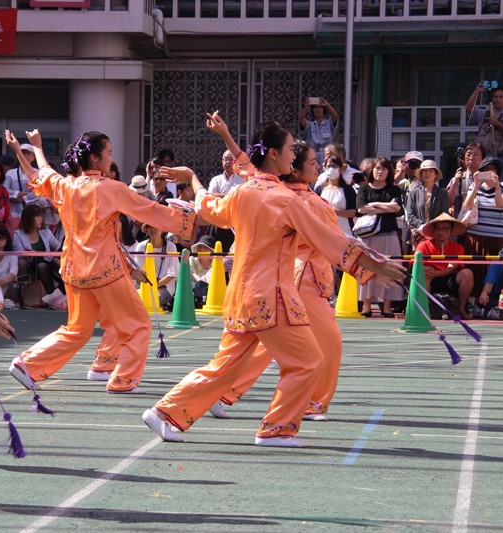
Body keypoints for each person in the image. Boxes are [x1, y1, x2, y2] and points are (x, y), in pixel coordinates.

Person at [142, 117, 405, 447]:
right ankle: (276, 428)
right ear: (273, 154)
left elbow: (209, 209)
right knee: (308, 361)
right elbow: (331, 241)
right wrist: (374, 265)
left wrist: (194, 178)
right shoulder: (287, 200)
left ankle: (164, 411)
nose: (293, 156)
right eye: (290, 150)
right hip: (272, 296)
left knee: (225, 367)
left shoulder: (244, 192)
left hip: (241, 296)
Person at [5, 129, 195, 394]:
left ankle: (27, 365)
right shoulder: (111, 188)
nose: (111, 158)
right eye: (109, 153)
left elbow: (43, 173)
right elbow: (149, 210)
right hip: (105, 269)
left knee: (78, 329)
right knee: (137, 324)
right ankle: (123, 380)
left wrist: (36, 147)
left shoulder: (67, 185)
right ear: (94, 158)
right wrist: (188, 219)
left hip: (74, 269)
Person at [210, 139, 352, 422]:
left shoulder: (275, 192)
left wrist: (225, 134)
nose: (319, 167)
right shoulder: (303, 201)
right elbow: (336, 243)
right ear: (294, 169)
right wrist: (371, 263)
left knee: (267, 345)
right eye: (313, 163)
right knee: (328, 343)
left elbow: (247, 166)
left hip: (290, 276)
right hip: (304, 278)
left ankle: (223, 392)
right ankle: (311, 403)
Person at [357, 157, 404, 317]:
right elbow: (361, 209)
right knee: (367, 268)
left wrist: (374, 205)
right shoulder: (364, 188)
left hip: (389, 234)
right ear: (372, 170)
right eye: (377, 168)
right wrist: (386, 207)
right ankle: (366, 305)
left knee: (390, 268)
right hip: (368, 236)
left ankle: (387, 306)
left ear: (388, 172)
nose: (380, 172)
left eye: (384, 169)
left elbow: (396, 207)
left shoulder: (394, 189)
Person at [414, 213, 474, 319]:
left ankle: (461, 308)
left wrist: (436, 273)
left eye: (445, 229)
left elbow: (453, 266)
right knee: (424, 276)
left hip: (449, 280)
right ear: (434, 231)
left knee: (467, 274)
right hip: (429, 279)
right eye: (438, 228)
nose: (441, 232)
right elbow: (415, 264)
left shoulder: (458, 248)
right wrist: (424, 269)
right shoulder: (423, 245)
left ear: (451, 231)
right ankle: (425, 310)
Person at [13, 203, 62, 297]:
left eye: (41, 216)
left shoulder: (46, 232)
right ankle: (24, 295)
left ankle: (50, 294)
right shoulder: (18, 234)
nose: (41, 219)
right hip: (29, 263)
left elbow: (58, 247)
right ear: (29, 219)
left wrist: (56, 258)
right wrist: (29, 253)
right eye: (37, 217)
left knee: (42, 266)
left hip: (46, 263)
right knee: (21, 263)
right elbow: (18, 253)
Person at [461, 156, 503, 258]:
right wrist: (476, 185)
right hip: (476, 234)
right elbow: (467, 205)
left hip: (498, 236)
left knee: (497, 267)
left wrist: (497, 186)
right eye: (486, 169)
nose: (489, 172)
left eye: (492, 169)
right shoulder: (474, 187)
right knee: (476, 266)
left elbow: (499, 204)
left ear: (497, 172)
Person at [404, 159, 450, 252]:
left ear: (436, 174)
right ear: (420, 174)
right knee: (418, 259)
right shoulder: (413, 193)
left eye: (431, 170)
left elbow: (444, 214)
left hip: (437, 234)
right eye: (424, 171)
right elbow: (410, 215)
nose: (427, 173)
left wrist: (430, 228)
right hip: (417, 234)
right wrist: (422, 226)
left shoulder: (443, 193)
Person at [132, 223, 178, 311]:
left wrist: (156, 286)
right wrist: (148, 287)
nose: (153, 230)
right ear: (146, 230)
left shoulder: (171, 246)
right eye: (149, 227)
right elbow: (137, 272)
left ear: (162, 229)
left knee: (151, 301)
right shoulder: (141, 246)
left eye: (156, 227)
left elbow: (173, 273)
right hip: (143, 286)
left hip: (165, 286)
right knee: (133, 301)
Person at [315, 155, 356, 236]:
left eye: (334, 166)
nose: (331, 169)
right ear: (324, 168)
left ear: (340, 169)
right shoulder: (319, 189)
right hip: (324, 232)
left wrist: (336, 212)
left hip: (345, 232)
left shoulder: (348, 190)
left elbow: (355, 212)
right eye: (329, 166)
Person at [465, 82, 503, 163]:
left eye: (501, 97)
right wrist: (477, 91)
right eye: (495, 97)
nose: (498, 99)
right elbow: (469, 107)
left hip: (500, 156)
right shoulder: (485, 113)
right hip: (482, 155)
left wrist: (498, 124)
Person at [3, 143, 37, 232]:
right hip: (14, 212)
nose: (25, 155)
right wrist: (17, 194)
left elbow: (39, 192)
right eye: (22, 153)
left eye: (28, 153)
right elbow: (5, 191)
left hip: (32, 211)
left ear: (33, 157)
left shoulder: (38, 173)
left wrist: (23, 198)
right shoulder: (10, 173)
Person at [297, 97, 339, 167]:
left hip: (326, 155)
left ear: (323, 109)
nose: (317, 109)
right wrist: (306, 108)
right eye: (315, 108)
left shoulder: (329, 123)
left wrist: (327, 105)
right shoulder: (310, 124)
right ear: (313, 110)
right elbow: (301, 121)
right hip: (313, 155)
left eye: (320, 107)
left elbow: (335, 116)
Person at [447, 142, 486, 216]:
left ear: (483, 158)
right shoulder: (457, 179)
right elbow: (447, 203)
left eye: (475, 154)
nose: (471, 157)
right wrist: (455, 184)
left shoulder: (487, 180)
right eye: (468, 154)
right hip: (462, 219)